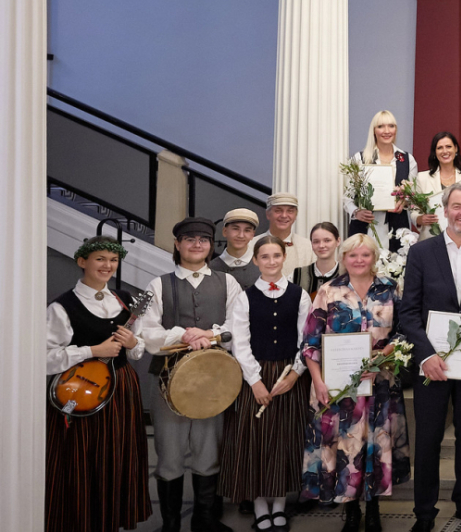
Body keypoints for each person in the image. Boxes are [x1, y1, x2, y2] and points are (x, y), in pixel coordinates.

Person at [396, 183, 461, 532]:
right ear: (445, 210)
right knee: (428, 438)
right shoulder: (421, 253)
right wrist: (426, 355)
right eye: (457, 206)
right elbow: (408, 313)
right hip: (432, 364)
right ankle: (424, 512)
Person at [137, 217, 245, 532]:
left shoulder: (228, 283)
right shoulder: (158, 284)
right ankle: (171, 524)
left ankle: (204, 520)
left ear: (211, 246)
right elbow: (144, 329)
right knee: (169, 455)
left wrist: (208, 336)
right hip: (166, 381)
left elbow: (239, 325)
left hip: (214, 381)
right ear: (177, 244)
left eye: (203, 239)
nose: (196, 244)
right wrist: (183, 335)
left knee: (209, 451)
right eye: (189, 238)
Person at [301, 233, 411, 531]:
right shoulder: (327, 291)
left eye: (365, 255)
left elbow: (404, 332)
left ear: (374, 258)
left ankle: (373, 510)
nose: (359, 260)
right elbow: (310, 345)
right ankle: (350, 513)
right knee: (344, 449)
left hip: (380, 384)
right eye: (353, 255)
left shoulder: (390, 289)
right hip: (338, 389)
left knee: (375, 444)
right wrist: (318, 383)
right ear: (343, 258)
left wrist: (381, 359)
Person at [45, 236, 151, 532]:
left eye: (113, 260)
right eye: (100, 259)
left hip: (122, 389)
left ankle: (112, 521)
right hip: (78, 391)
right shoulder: (63, 306)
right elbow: (42, 358)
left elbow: (138, 348)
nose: (107, 266)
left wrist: (133, 342)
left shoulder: (126, 299)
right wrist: (92, 351)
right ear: (82, 262)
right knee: (81, 459)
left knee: (118, 458)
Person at [221, 237, 311, 531]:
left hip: (289, 376)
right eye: (265, 257)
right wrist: (255, 382)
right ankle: (260, 505)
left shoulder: (300, 295)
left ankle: (281, 505)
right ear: (256, 260)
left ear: (284, 257)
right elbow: (240, 343)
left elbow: (305, 340)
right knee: (255, 440)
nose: (271, 261)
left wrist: (296, 373)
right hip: (254, 376)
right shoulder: (244, 297)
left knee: (285, 439)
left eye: (276, 256)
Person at [347, 110, 413, 244]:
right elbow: (347, 196)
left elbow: (413, 195)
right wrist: (356, 212)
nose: (387, 131)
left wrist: (404, 202)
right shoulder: (360, 159)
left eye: (391, 126)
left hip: (397, 227)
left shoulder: (406, 159)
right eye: (381, 126)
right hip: (365, 226)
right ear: (374, 131)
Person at [412, 132, 461, 231]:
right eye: (440, 148)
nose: (445, 151)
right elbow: (414, 210)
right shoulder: (422, 178)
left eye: (448, 146)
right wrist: (420, 219)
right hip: (431, 238)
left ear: (455, 149)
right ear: (434, 152)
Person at [253, 193, 315, 269]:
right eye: (278, 211)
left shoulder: (308, 247)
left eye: (290, 211)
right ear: (268, 214)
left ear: (296, 215)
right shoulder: (251, 245)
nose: (284, 215)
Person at [211, 207, 262, 289]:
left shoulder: (264, 266)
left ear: (252, 235)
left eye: (247, 230)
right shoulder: (211, 269)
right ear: (225, 231)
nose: (241, 235)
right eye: (235, 229)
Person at [294, 222, 345, 301]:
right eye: (316, 241)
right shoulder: (297, 275)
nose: (321, 245)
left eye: (327, 240)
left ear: (338, 241)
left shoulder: (348, 275)